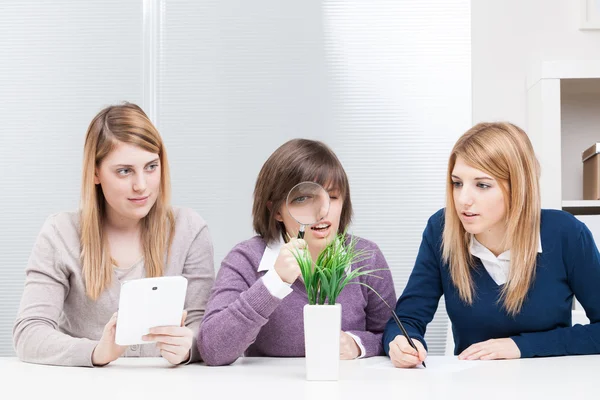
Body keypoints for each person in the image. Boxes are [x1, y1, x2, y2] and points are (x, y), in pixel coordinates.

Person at [13, 103, 215, 366]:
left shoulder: (189, 229)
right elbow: (29, 333)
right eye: (124, 171)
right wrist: (98, 352)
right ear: (95, 173)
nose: (141, 185)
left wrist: (189, 346)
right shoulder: (60, 233)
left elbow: (205, 328)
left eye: (151, 167)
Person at [384, 122, 600, 368]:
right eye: (457, 183)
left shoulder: (566, 233)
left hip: (549, 386)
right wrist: (401, 341)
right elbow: (406, 319)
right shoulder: (440, 229)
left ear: (518, 187)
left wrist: (520, 346)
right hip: (473, 386)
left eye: (482, 185)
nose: (463, 199)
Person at [198, 139, 396, 365]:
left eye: (332, 197)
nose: (322, 211)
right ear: (276, 210)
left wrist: (358, 344)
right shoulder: (246, 259)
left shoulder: (366, 256)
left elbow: (392, 335)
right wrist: (274, 282)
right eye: (303, 199)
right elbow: (213, 349)